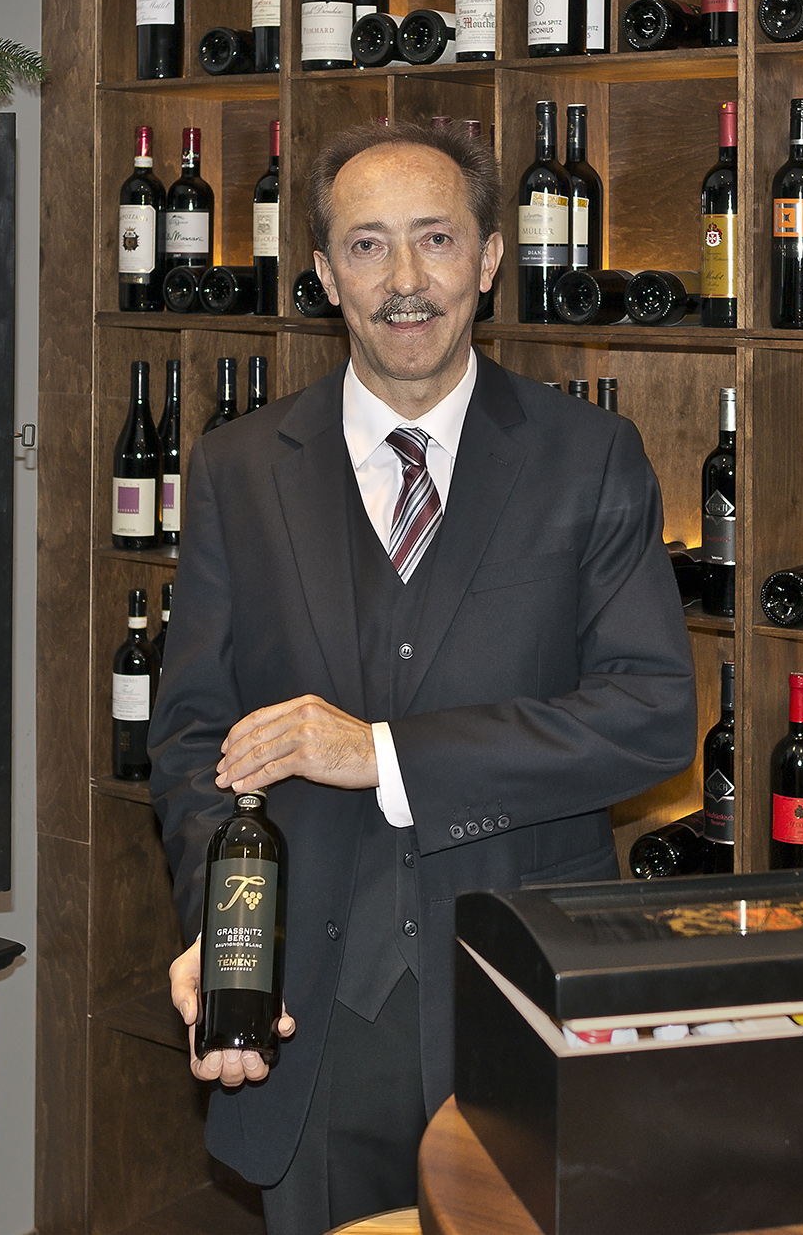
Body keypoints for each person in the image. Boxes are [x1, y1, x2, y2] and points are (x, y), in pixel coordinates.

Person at [149, 120, 697, 1235]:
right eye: (367, 245)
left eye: (436, 238)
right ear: (322, 272)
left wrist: (384, 755)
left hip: (522, 1003)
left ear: (490, 257)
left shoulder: (590, 456)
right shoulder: (237, 470)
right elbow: (195, 741)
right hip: (312, 1019)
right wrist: (228, 931)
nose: (405, 280)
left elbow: (651, 715)